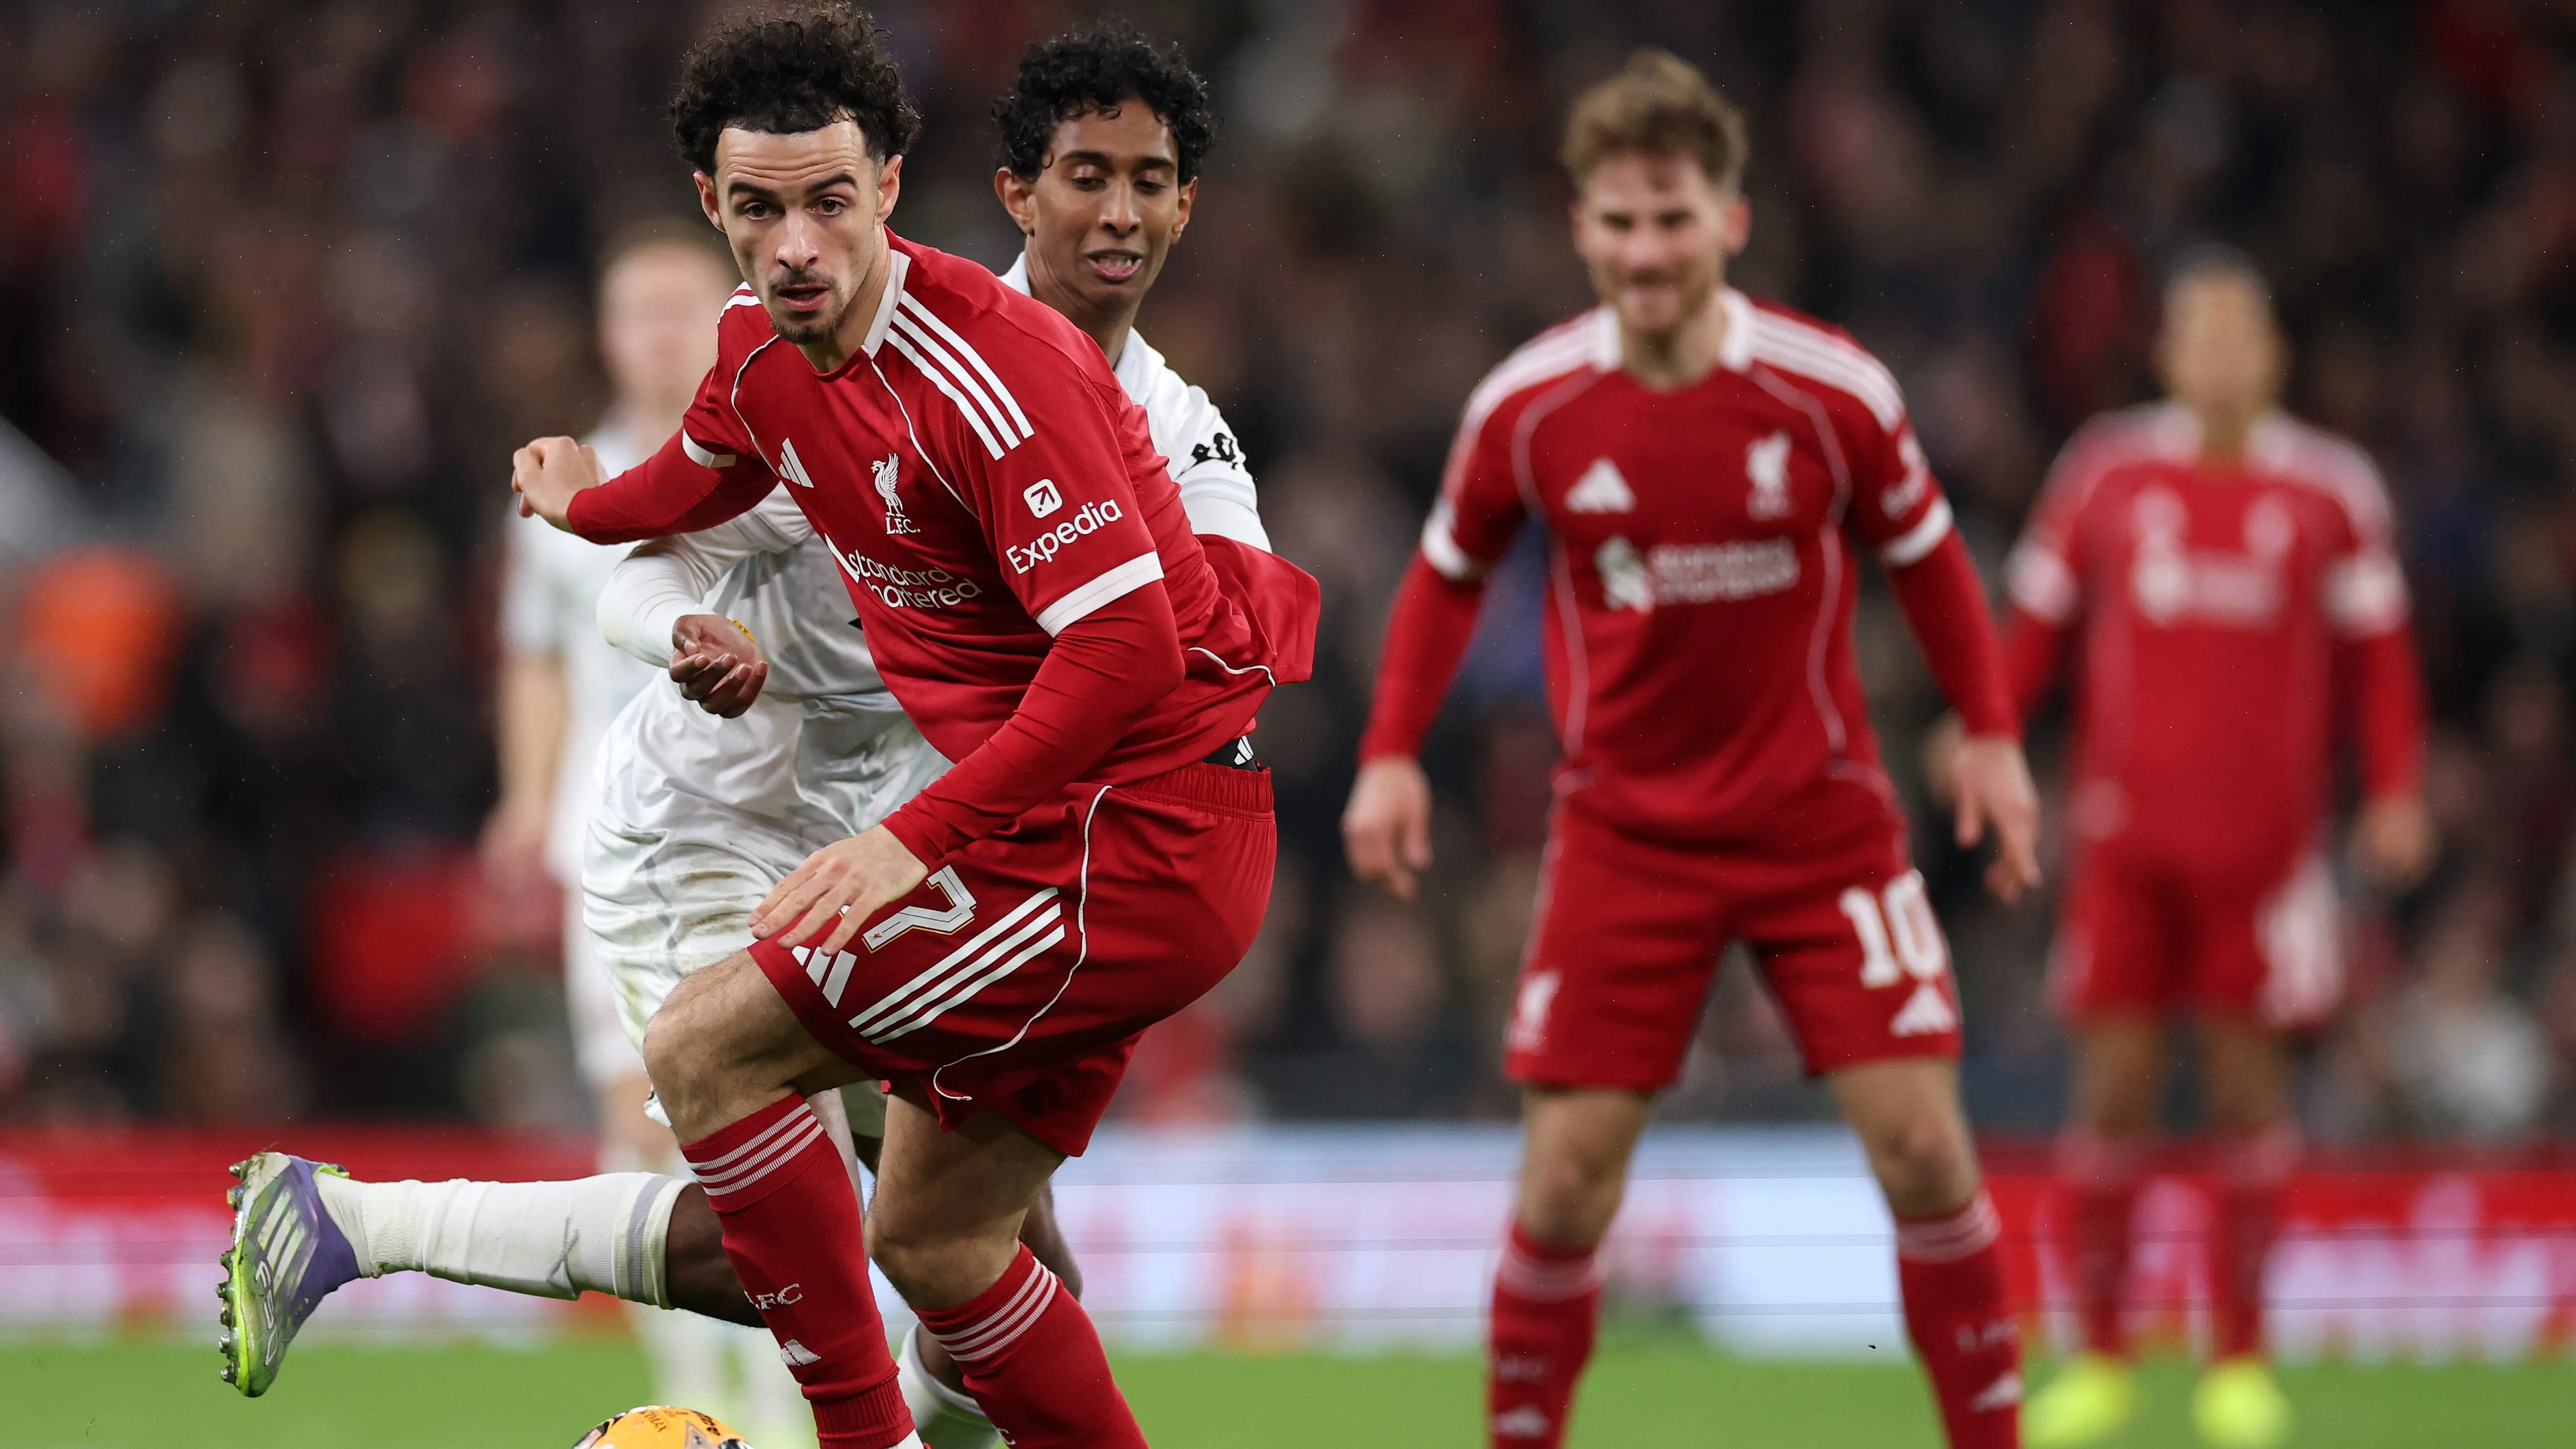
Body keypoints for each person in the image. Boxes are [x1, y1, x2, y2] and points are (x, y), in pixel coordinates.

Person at [218, 22, 1280, 1449]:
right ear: (712, 208)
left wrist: (909, 842)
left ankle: (827, 1428)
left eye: (827, 201)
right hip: (842, 830)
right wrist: (581, 500)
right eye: (760, 207)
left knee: (719, 1065)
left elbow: (1136, 649)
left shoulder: (1029, 382)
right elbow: (687, 489)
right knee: (949, 1249)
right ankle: (353, 1222)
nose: (795, 242)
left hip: (1107, 841)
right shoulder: (777, 358)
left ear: (890, 190)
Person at [1341, 52, 2038, 1449]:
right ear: (1579, 229)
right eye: (1617, 222)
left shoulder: (1826, 392)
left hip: (1819, 824)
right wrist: (1391, 751)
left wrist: (1991, 734)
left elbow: (1932, 559)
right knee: (1562, 1189)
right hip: (1624, 835)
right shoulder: (1530, 407)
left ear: (1729, 221)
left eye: (1671, 219)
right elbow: (1441, 572)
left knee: (1921, 1149)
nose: (1643, 250)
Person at [2000, 252, 2430, 1449]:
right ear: (2168, 354)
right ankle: (2098, 1358)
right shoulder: (2103, 471)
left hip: (2266, 857)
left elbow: (2379, 661)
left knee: (2248, 1099)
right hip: (2122, 846)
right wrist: (1984, 730)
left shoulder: (2329, 491)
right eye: (2199, 335)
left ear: (2272, 357)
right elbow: (2031, 630)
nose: (2220, 356)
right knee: (2111, 1099)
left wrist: (2394, 789)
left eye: (2241, 335)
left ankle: (2235, 1362)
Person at [484, 224, 806, 1436]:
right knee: (635, 1119)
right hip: (609, 856)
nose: (662, 332)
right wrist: (525, 800)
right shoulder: (563, 481)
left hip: (754, 845)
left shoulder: (776, 471)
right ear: (608, 333)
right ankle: (692, 1395)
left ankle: (784, 1402)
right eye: (639, 311)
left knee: (763, 1127)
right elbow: (536, 662)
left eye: (684, 307)